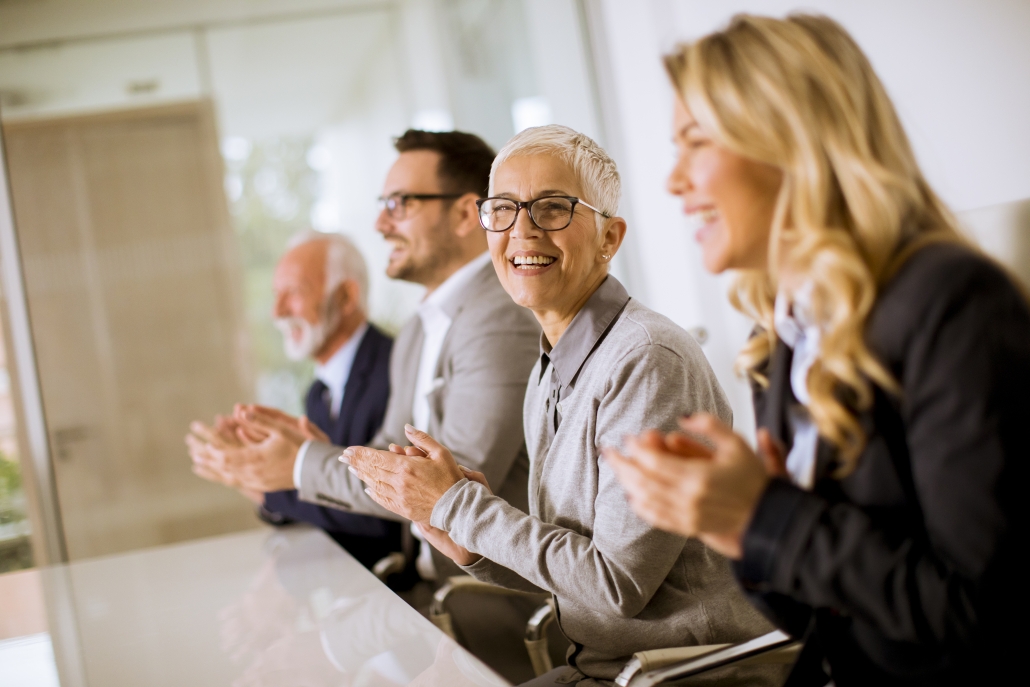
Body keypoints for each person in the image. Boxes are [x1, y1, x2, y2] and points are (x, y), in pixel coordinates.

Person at [604, 14, 1027, 687]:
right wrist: (735, 524)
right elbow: (829, 613)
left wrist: (764, 515)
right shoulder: (777, 340)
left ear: (789, 143)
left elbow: (991, 614)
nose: (672, 180)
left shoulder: (953, 303)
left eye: (696, 141)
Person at [344, 125, 775, 687]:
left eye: (552, 208)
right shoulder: (550, 365)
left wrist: (460, 506)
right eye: (502, 209)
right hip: (607, 669)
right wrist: (470, 545)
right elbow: (577, 572)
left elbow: (615, 586)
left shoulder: (645, 359)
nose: (522, 230)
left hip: (683, 676)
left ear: (609, 238)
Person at [190, 130, 541, 605]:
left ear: (464, 213)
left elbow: (448, 488)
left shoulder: (499, 317)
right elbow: (385, 456)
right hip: (427, 592)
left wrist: (296, 462)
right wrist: (298, 452)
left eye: (400, 203)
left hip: (488, 601)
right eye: (383, 204)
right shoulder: (420, 328)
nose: (380, 223)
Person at [188, 232, 397, 571]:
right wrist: (256, 470)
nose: (277, 311)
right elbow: (329, 511)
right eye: (276, 295)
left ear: (346, 297)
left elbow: (383, 515)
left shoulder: (394, 368)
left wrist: (266, 480)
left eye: (294, 293)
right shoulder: (317, 393)